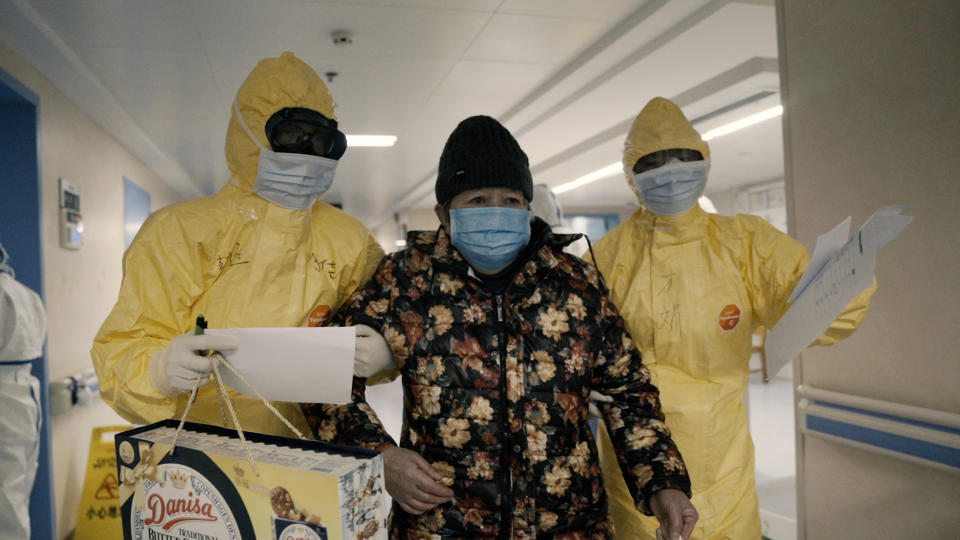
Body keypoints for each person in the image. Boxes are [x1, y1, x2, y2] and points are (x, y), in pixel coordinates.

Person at [303, 115, 697, 539]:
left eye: (511, 199)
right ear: (444, 213)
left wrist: (663, 482)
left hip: (569, 526)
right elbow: (321, 374)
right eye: (476, 199)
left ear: (527, 208)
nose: (496, 210)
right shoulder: (406, 281)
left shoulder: (575, 283)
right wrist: (379, 457)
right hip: (443, 526)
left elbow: (629, 393)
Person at [589, 97, 876, 539]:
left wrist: (844, 281)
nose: (670, 171)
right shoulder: (607, 258)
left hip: (724, 457)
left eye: (684, 158)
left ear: (704, 159)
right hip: (638, 464)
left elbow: (811, 305)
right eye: (654, 162)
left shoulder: (745, 244)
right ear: (632, 176)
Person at [91, 52, 384, 437]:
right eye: (291, 136)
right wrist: (159, 370)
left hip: (310, 460)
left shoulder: (351, 242)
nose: (305, 153)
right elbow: (122, 352)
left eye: (320, 141)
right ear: (248, 134)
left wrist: (386, 354)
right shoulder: (178, 232)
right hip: (197, 468)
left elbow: (393, 319)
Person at [0, 241, 47, 538]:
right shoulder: (26, 296)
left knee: (9, 498)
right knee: (14, 495)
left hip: (11, 399)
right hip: (22, 396)